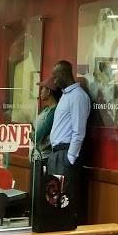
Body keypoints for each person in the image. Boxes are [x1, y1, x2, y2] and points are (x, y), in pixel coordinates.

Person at [46, 60, 91, 223]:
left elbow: (79, 130)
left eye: (56, 77)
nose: (54, 81)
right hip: (56, 154)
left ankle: (66, 229)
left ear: (64, 75)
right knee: (54, 201)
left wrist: (70, 158)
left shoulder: (78, 96)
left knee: (65, 200)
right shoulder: (66, 96)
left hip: (65, 154)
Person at [32, 78, 61, 161]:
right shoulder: (46, 109)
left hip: (44, 157)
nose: (40, 92)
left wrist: (29, 134)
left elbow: (38, 136)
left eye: (42, 89)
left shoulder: (53, 112)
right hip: (37, 155)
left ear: (48, 92)